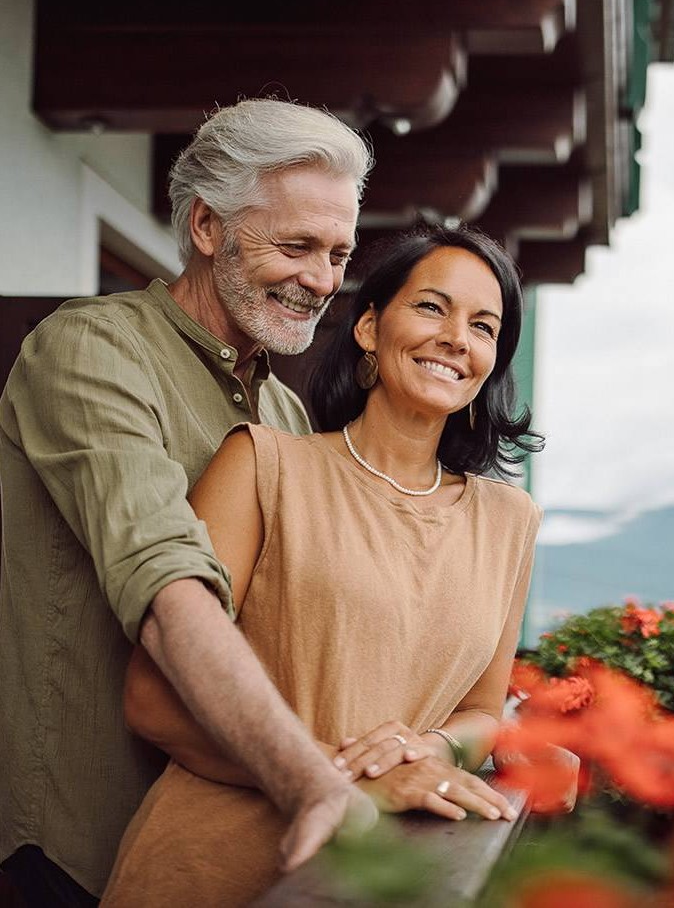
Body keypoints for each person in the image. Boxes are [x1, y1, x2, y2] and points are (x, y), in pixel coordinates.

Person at [99, 225, 544, 906]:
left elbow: (484, 709)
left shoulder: (511, 520)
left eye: (484, 326)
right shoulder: (262, 464)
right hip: (215, 867)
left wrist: (433, 750)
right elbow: (152, 700)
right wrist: (349, 778)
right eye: (432, 307)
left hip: (385, 878)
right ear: (369, 328)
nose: (457, 337)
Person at [0, 99, 374, 905]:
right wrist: (314, 783)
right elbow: (170, 593)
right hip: (73, 851)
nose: (322, 281)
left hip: (211, 845)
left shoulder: (285, 413)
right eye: (296, 246)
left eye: (339, 254)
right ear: (207, 226)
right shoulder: (91, 348)